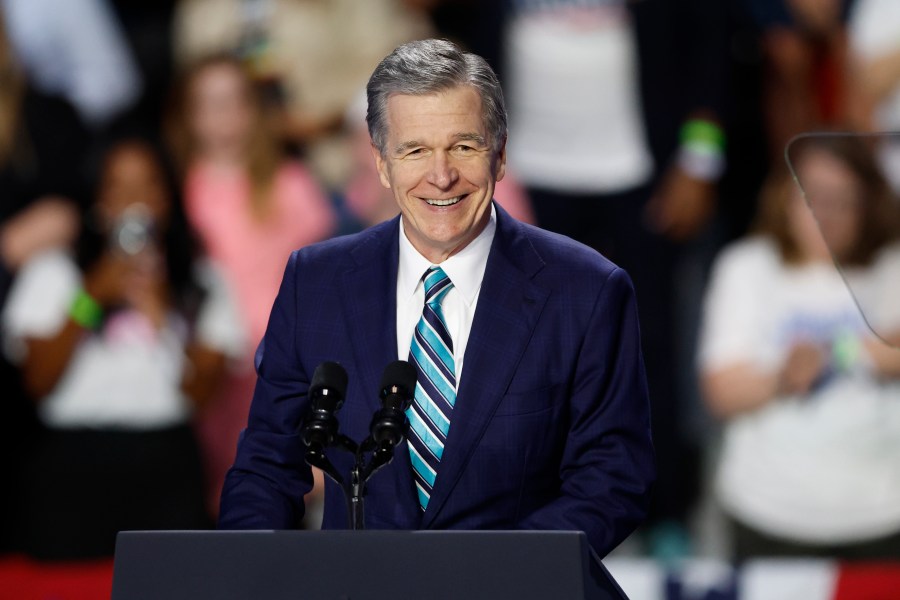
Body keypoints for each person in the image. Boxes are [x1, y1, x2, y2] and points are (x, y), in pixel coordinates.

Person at [218, 38, 655, 558]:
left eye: (463, 147)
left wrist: (482, 581)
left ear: (500, 155)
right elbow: (267, 466)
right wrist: (246, 574)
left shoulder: (585, 291)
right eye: (415, 150)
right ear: (381, 163)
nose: (441, 175)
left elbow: (612, 480)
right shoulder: (315, 283)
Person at [2, 135, 245, 559]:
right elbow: (38, 381)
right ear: (97, 203)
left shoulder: (203, 284)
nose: (134, 200)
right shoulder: (53, 273)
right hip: (71, 469)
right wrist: (90, 299)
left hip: (164, 467)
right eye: (118, 187)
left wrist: (164, 317)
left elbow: (202, 396)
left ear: (168, 199)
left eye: (147, 186)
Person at [698, 134, 900, 561]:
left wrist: (835, 353)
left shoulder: (891, 266)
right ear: (784, 198)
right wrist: (784, 376)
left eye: (841, 200)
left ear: (868, 203)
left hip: (880, 514)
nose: (824, 215)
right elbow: (720, 392)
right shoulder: (747, 267)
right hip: (768, 512)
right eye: (811, 197)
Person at [166, 53, 337, 521]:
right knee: (222, 488)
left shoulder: (290, 184)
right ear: (188, 114)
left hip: (279, 364)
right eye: (207, 103)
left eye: (232, 101)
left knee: (283, 483)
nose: (222, 116)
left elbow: (321, 278)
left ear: (253, 109)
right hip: (208, 363)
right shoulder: (179, 188)